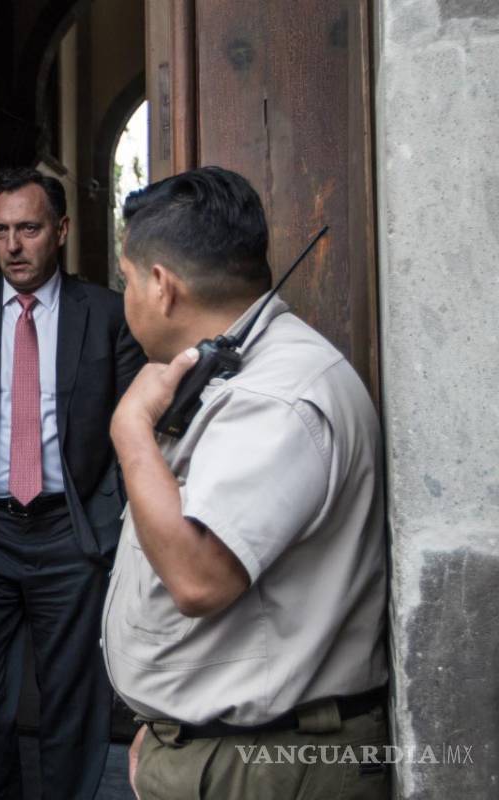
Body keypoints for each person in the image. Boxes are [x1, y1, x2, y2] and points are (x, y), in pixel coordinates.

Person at [104, 166, 388, 799]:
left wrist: (130, 430)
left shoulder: (276, 396)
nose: (125, 298)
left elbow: (198, 579)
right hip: (226, 749)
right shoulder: (243, 370)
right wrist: (172, 726)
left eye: (126, 280)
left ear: (161, 286)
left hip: (265, 766)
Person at [0, 166, 145, 798]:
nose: (12, 246)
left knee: (73, 700)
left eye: (29, 229)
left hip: (70, 534)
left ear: (61, 230)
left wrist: (114, 523)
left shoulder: (107, 313)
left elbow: (135, 431)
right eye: (0, 231)